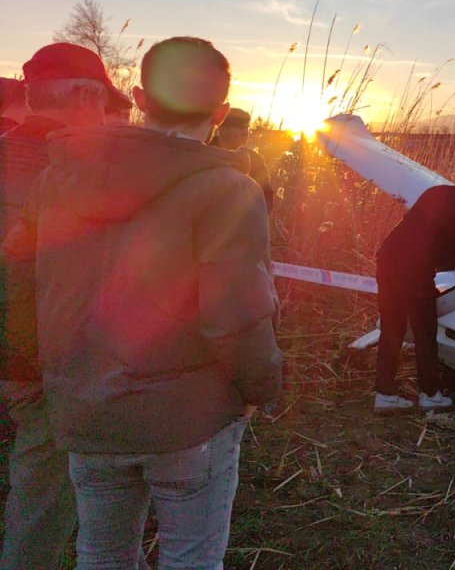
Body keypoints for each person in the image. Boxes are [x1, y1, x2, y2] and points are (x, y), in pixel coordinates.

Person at [6, 36, 281, 569]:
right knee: (191, 558)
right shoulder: (229, 189)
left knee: (102, 552)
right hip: (190, 418)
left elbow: (17, 284)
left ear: (137, 96)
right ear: (221, 113)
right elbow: (234, 319)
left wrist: (37, 373)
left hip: (85, 407)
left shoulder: (58, 175)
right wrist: (260, 388)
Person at [0, 43, 131, 570]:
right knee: (42, 500)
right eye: (102, 103)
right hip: (38, 363)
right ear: (81, 95)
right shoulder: (80, 176)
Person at [373, 162, 455, 414]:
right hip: (414, 269)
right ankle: (430, 394)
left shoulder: (438, 192)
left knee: (392, 329)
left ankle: (384, 394)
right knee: (425, 332)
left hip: (387, 259)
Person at [210, 107, 274, 211]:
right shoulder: (206, 152)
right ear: (222, 129)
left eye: (246, 127)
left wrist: (253, 216)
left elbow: (265, 196)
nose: (245, 132)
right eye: (239, 127)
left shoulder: (255, 160)